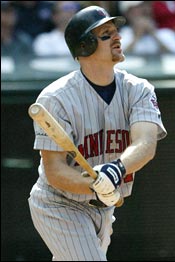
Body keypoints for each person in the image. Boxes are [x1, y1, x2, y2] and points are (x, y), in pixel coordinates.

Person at [28, 6, 167, 261]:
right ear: (85, 46)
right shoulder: (55, 98)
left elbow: (146, 143)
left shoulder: (139, 89)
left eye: (116, 31)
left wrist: (114, 171)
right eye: (106, 34)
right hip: (59, 204)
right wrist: (94, 184)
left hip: (104, 208)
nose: (118, 37)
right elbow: (55, 171)